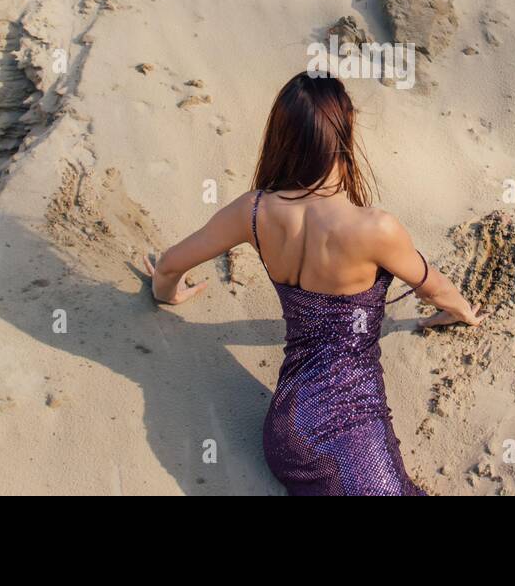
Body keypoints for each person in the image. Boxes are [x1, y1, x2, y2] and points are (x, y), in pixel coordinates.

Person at [145, 71, 480, 495]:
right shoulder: (376, 229)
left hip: (285, 432)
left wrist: (169, 295)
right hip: (349, 429)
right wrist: (462, 311)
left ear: (282, 137)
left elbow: (170, 265)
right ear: (344, 135)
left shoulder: (253, 212)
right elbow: (435, 289)